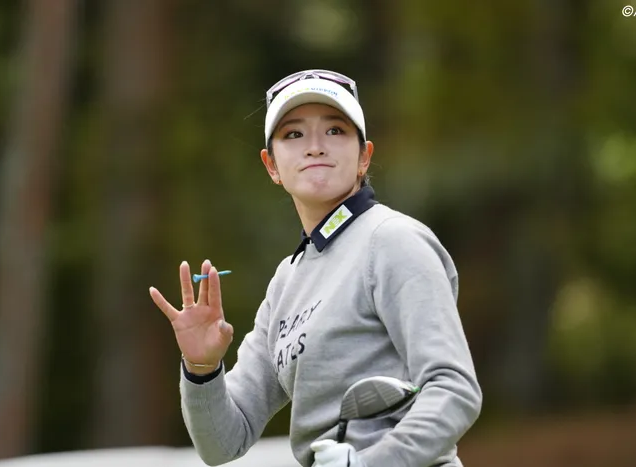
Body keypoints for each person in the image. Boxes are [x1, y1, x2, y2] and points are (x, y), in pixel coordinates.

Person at [149, 69, 482, 467]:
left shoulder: (393, 241)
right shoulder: (287, 280)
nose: (315, 148)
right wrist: (202, 369)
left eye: (335, 131)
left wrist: (369, 464)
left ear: (364, 157)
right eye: (294, 134)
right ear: (272, 166)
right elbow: (223, 443)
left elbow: (454, 390)